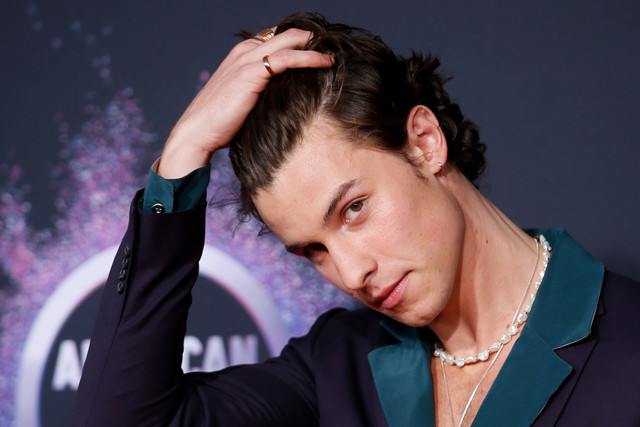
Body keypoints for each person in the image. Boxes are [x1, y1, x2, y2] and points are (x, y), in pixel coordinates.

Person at [74, 12, 640, 427]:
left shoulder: (629, 349)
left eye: (353, 209)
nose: (350, 272)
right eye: (312, 250)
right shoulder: (339, 365)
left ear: (423, 142)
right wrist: (183, 156)